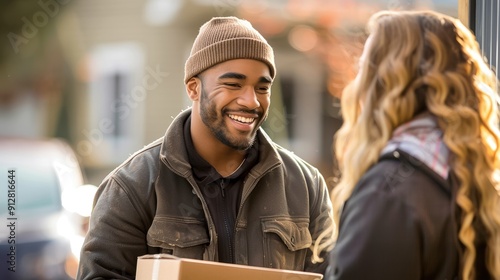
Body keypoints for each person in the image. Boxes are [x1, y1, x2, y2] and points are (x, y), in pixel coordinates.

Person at [77, 16, 333, 279]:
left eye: (262, 87)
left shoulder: (306, 186)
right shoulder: (131, 187)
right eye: (233, 84)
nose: (251, 101)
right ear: (193, 88)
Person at [317, 10, 500, 279]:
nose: (356, 85)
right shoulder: (473, 179)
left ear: (388, 84)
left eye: (364, 69)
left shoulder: (387, 194)